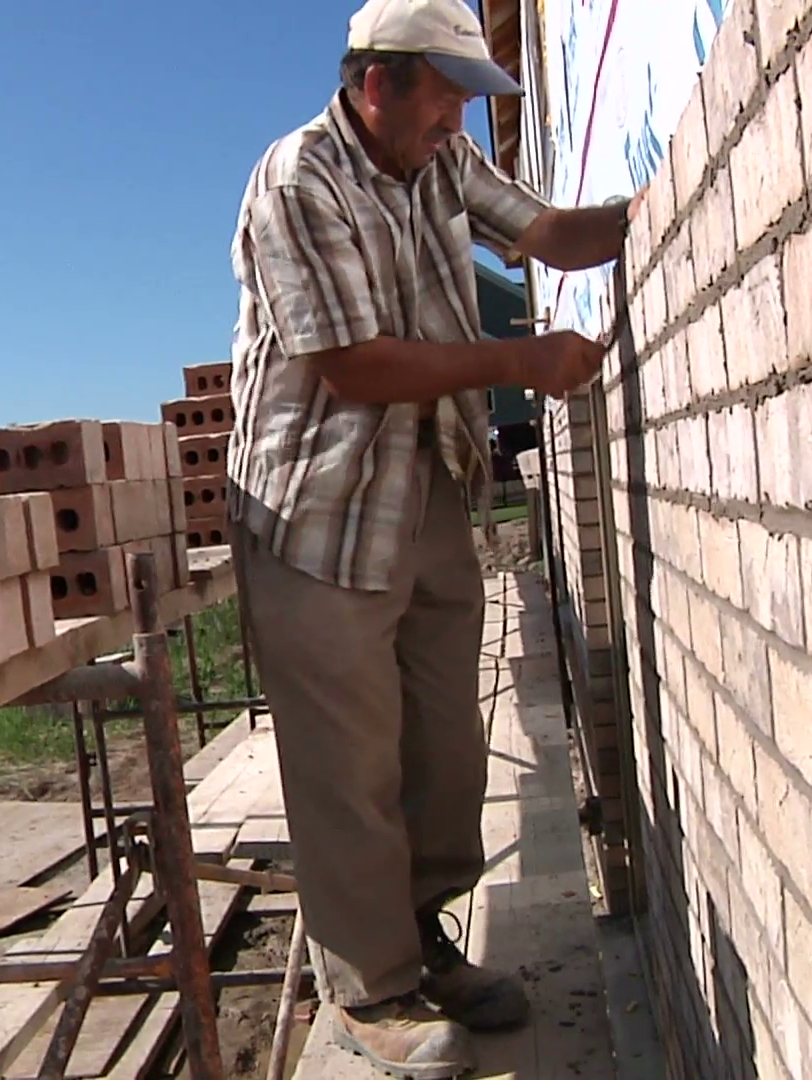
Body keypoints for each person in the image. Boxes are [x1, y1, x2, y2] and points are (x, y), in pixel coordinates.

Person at [222, 0, 636, 1075]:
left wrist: (667, 205)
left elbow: (548, 232)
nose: (460, 117)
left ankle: (426, 944)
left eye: (466, 98)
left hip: (426, 487)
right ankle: (370, 989)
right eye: (445, 93)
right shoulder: (298, 179)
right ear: (376, 85)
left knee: (446, 752)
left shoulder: (441, 165)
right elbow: (352, 365)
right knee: (349, 763)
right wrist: (515, 363)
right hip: (317, 508)